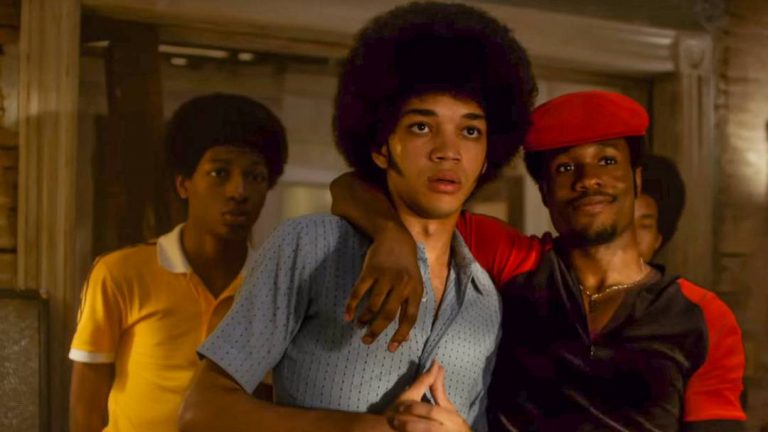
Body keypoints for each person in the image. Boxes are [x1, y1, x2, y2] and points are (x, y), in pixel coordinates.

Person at [178, 3, 536, 432]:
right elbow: (202, 412)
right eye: (422, 127)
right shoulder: (308, 247)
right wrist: (365, 429)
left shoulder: (484, 300)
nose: (448, 151)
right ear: (381, 147)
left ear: (487, 158)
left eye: (470, 131)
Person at [331, 91, 746, 431]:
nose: (588, 179)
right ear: (545, 191)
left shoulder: (702, 315)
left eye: (607, 161)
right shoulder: (513, 262)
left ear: (636, 179)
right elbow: (352, 187)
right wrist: (391, 236)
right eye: (565, 168)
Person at [68, 93, 288, 432]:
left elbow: (267, 405)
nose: (238, 191)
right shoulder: (119, 273)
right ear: (184, 184)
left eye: (255, 176)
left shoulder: (275, 289)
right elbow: (86, 410)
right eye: (219, 172)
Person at [634, 154, 746, 429]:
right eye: (621, 224)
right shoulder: (546, 293)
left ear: (658, 238)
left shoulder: (701, 312)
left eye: (643, 226)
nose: (628, 238)